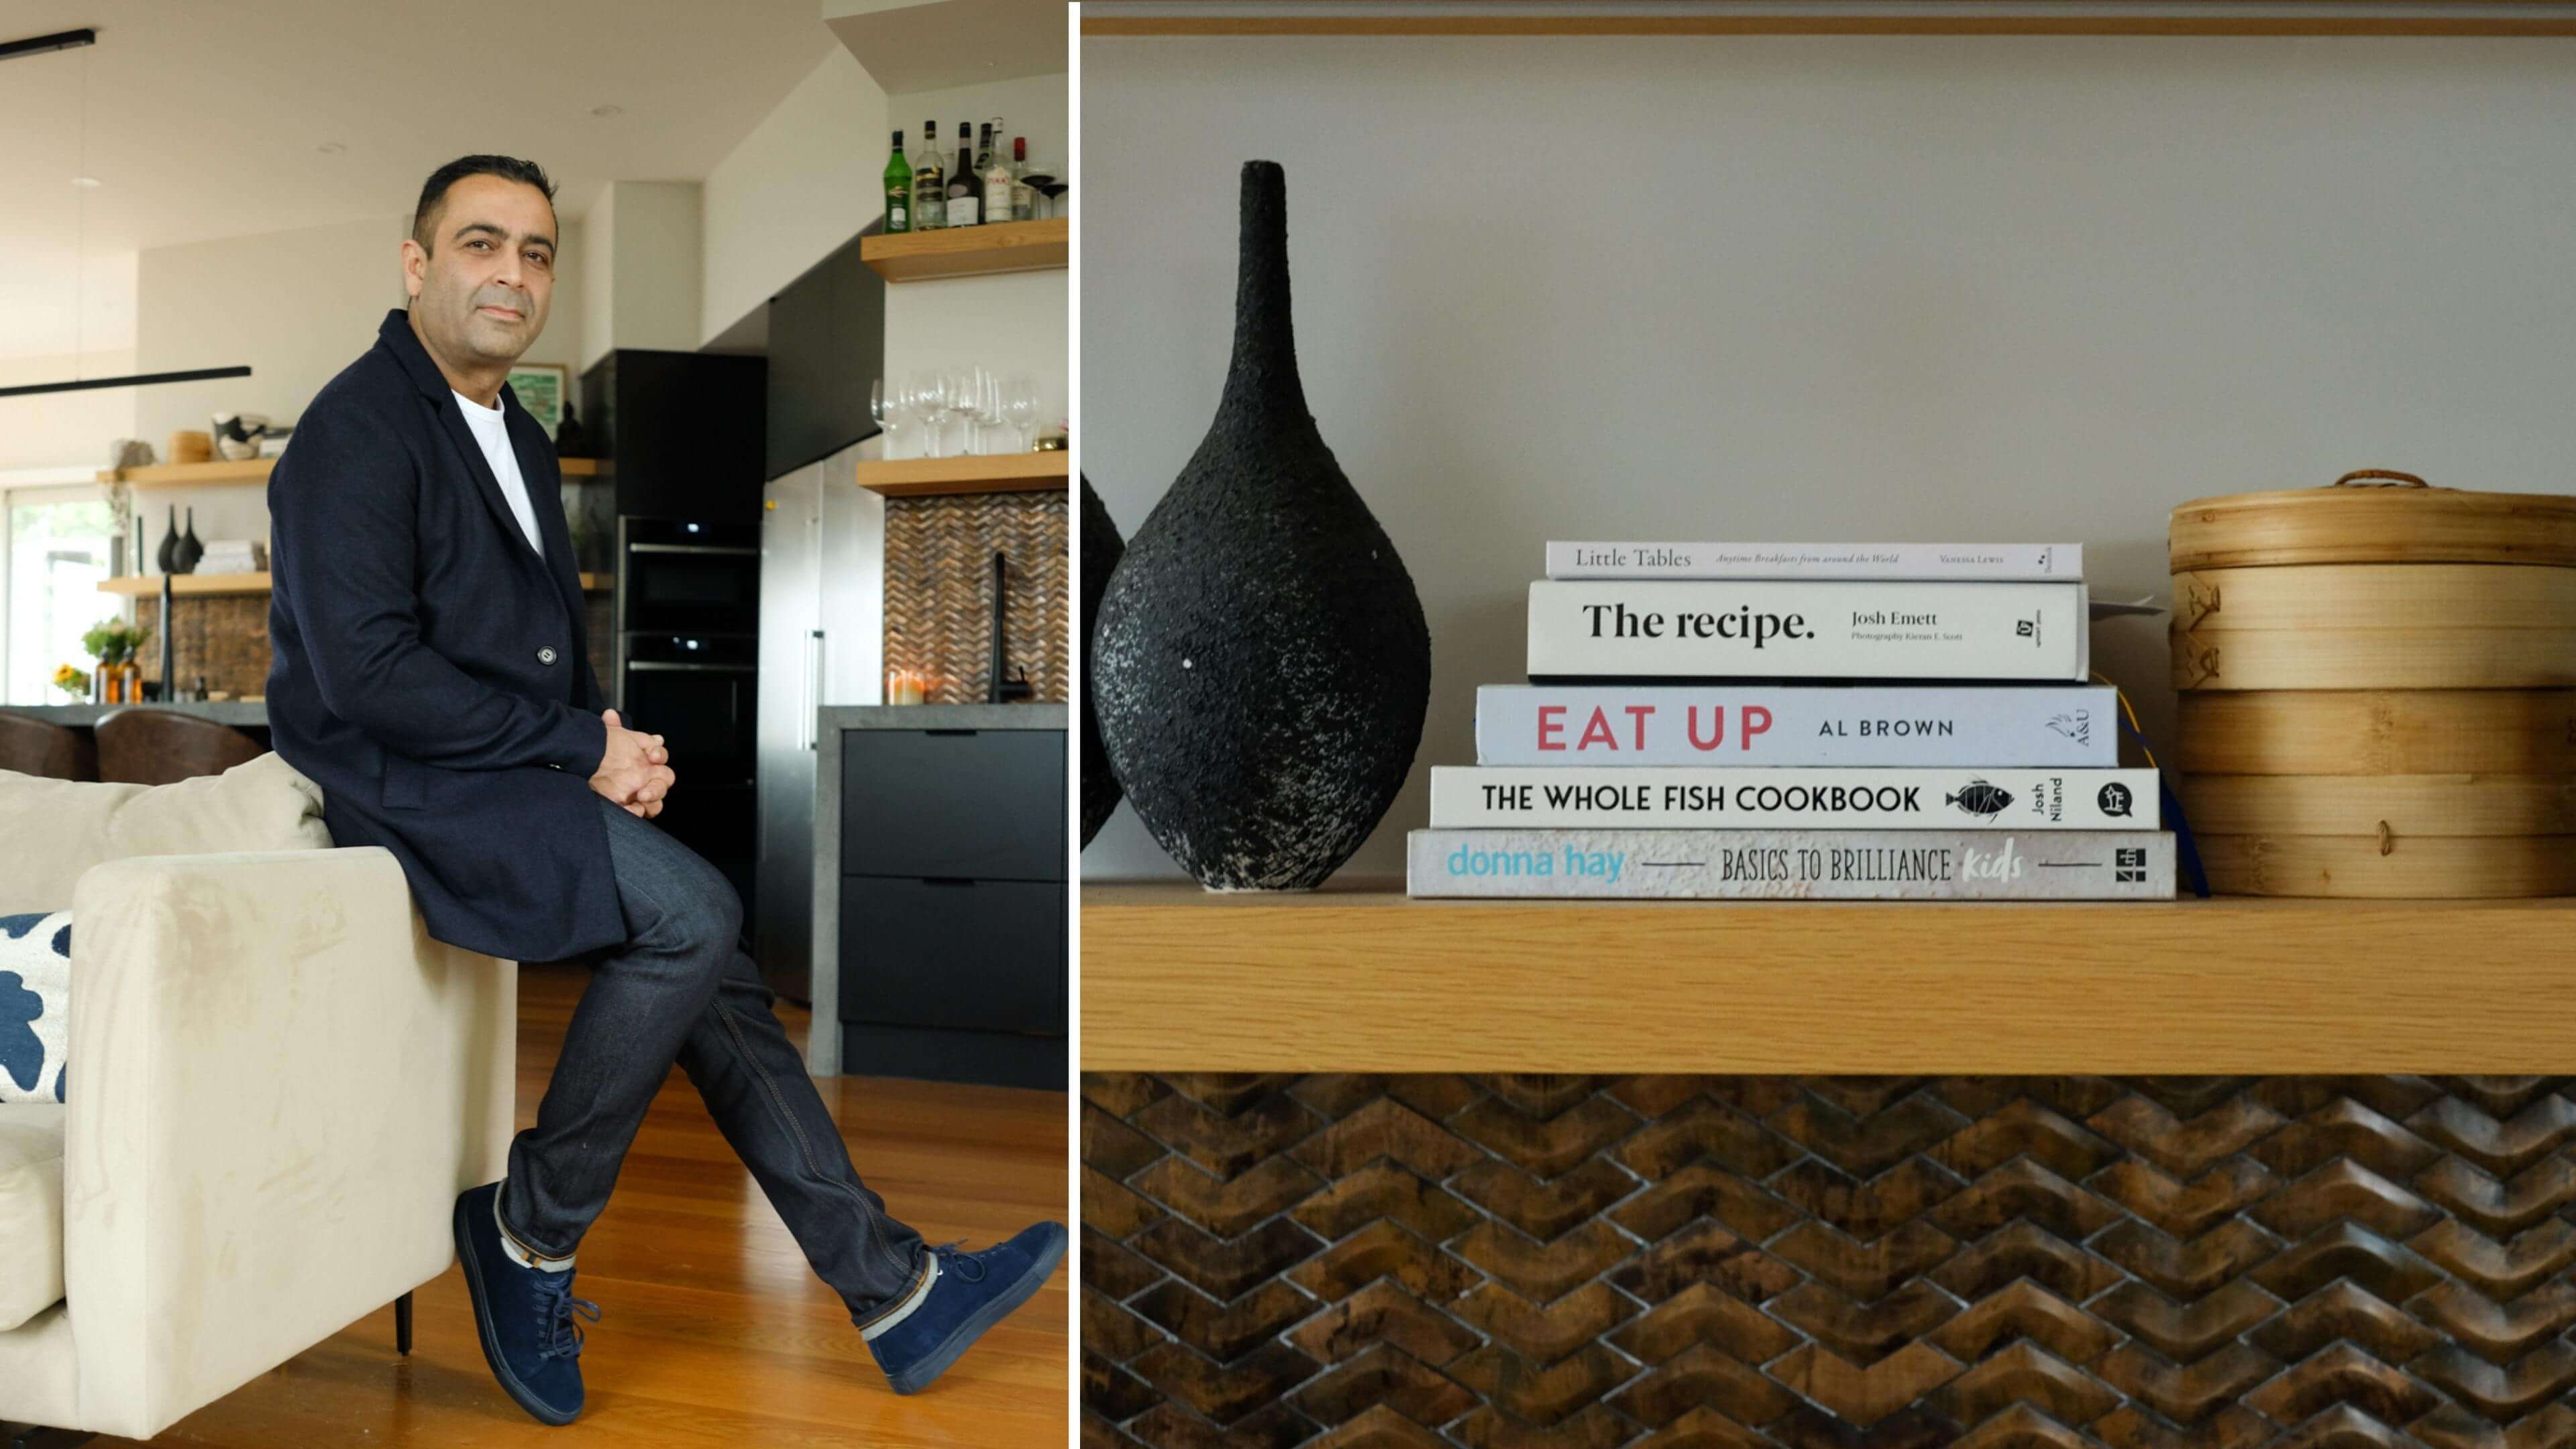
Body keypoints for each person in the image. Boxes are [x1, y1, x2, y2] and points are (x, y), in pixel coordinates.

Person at [262, 154, 1063, 1427]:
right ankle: (527, 1237)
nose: (511, 275)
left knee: (720, 969)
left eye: (535, 254)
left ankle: (897, 1293)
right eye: (481, 245)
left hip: (499, 767)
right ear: (416, 265)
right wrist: (578, 750)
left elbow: (523, 637)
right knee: (693, 915)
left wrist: (606, 738)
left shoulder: (513, 428)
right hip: (406, 788)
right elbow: (368, 677)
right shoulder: (353, 430)